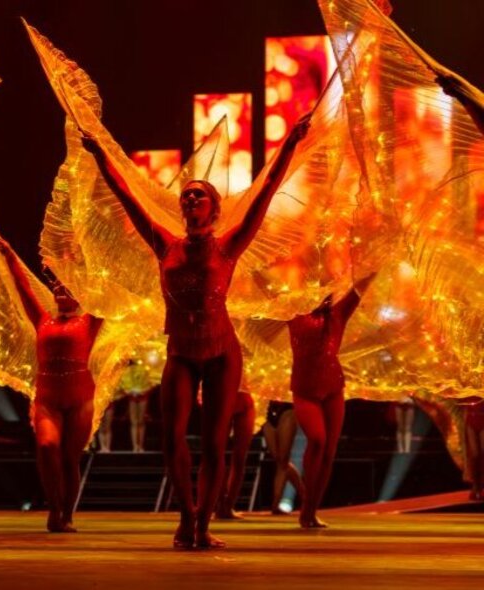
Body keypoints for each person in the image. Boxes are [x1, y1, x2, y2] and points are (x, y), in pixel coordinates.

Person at [84, 113, 311, 549]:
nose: (189, 200)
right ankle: (186, 518)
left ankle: (204, 525)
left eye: (198, 196)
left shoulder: (229, 246)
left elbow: (264, 194)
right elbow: (127, 196)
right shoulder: (164, 244)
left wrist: (290, 145)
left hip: (223, 353)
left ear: (213, 208)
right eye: (186, 196)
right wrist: (99, 156)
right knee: (171, 439)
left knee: (212, 441)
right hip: (182, 353)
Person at [0, 236, 103, 533]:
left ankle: (65, 515)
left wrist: (91, 255)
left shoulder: (90, 322)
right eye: (55, 285)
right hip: (47, 399)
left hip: (80, 397)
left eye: (65, 285)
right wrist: (9, 256)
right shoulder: (42, 320)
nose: (58, 288)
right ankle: (53, 507)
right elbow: (22, 288)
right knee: (46, 446)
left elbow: (103, 288)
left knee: (70, 459)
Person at [288, 273, 376, 528]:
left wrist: (376, 263)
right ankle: (307, 503)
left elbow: (358, 289)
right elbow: (270, 294)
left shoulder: (338, 314)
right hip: (305, 391)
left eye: (325, 293)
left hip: (333, 389)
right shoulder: (294, 316)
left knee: (328, 452)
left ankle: (310, 511)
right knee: (317, 440)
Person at [215, 390, 255, 519]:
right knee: (217, 455)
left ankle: (228, 504)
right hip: (222, 397)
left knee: (239, 457)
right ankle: (221, 504)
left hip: (245, 400)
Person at [261, 400, 304, 514]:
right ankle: (304, 497)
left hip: (287, 409)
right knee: (280, 461)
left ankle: (277, 503)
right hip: (267, 413)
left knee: (283, 460)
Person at [464, 398, 484, 501]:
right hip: (471, 419)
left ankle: (480, 487)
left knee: (482, 454)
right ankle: (476, 487)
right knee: (475, 454)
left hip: (483, 418)